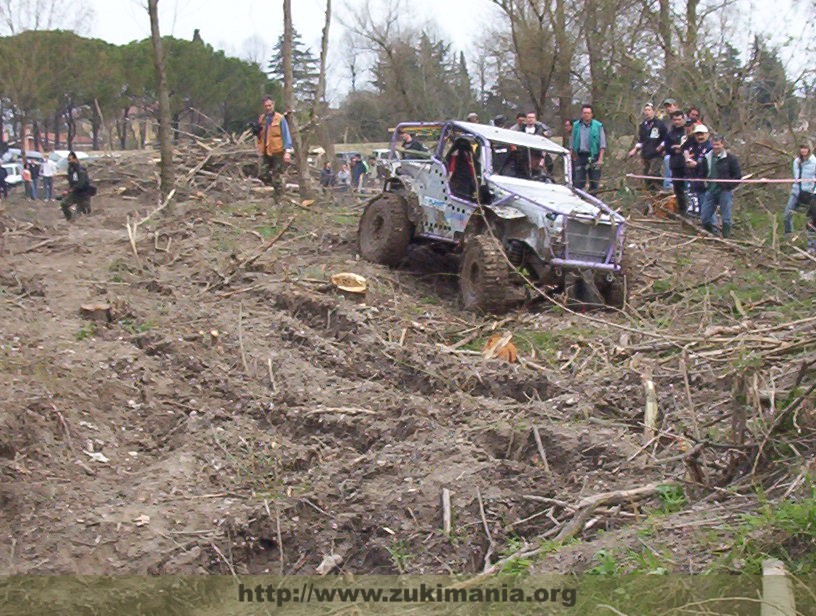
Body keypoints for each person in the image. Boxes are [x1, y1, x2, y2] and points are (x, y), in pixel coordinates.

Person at [699, 135, 741, 238]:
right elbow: (703, 173)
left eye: (718, 144)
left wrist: (729, 186)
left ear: (722, 144)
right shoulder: (707, 157)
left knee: (726, 217)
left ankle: (727, 238)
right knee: (704, 217)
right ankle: (711, 234)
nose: (716, 147)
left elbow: (737, 176)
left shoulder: (730, 159)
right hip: (711, 190)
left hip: (724, 191)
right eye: (714, 144)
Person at [254, 95, 292, 197]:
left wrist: (287, 151)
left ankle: (279, 198)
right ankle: (277, 186)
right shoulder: (262, 118)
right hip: (266, 151)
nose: (268, 108)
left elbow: (286, 135)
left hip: (278, 151)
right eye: (266, 106)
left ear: (273, 105)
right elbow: (261, 136)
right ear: (263, 106)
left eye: (270, 105)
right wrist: (256, 131)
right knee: (262, 174)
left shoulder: (280, 118)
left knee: (277, 176)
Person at [627, 102, 666, 193]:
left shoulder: (660, 124)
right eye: (645, 110)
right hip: (645, 154)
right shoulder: (643, 125)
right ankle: (649, 193)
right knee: (646, 176)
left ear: (653, 111)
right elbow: (641, 140)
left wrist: (661, 146)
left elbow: (666, 138)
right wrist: (635, 150)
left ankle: (659, 190)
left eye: (649, 110)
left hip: (656, 154)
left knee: (653, 174)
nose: (647, 112)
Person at [570, 104, 606, 194]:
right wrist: (573, 155)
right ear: (582, 114)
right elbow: (572, 141)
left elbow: (602, 143)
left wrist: (600, 159)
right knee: (578, 181)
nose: (586, 115)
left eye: (588, 113)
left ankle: (593, 202)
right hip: (580, 156)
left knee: (594, 181)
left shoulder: (598, 126)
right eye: (585, 113)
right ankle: (579, 200)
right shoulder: (576, 125)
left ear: (592, 114)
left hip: (594, 156)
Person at [782, 142, 816, 236]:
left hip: (810, 193)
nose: (803, 150)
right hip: (796, 192)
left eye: (805, 148)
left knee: (812, 218)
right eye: (801, 148)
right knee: (787, 215)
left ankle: (811, 241)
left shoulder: (814, 162)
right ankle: (789, 236)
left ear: (809, 149)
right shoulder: (796, 161)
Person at [683, 124, 712, 218]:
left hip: (705, 179)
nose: (700, 137)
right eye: (697, 134)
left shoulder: (710, 147)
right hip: (693, 176)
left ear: (707, 134)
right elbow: (684, 148)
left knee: (705, 201)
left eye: (702, 134)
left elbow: (709, 163)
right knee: (693, 197)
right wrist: (687, 159)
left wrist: (696, 164)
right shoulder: (694, 146)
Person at [664, 110, 689, 215]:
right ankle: (682, 211)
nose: (677, 122)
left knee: (689, 188)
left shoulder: (687, 131)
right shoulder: (670, 134)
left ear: (683, 119)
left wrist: (681, 148)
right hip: (675, 163)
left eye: (679, 119)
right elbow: (667, 148)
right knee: (678, 189)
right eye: (675, 120)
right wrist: (675, 149)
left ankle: (691, 210)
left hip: (687, 164)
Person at [60, 151, 94, 221]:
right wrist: (68, 190)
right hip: (75, 192)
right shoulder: (70, 169)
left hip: (83, 193)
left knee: (85, 211)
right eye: (68, 160)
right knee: (64, 204)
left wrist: (71, 190)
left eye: (70, 159)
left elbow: (81, 183)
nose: (69, 161)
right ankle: (69, 219)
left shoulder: (81, 170)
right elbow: (71, 182)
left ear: (75, 159)